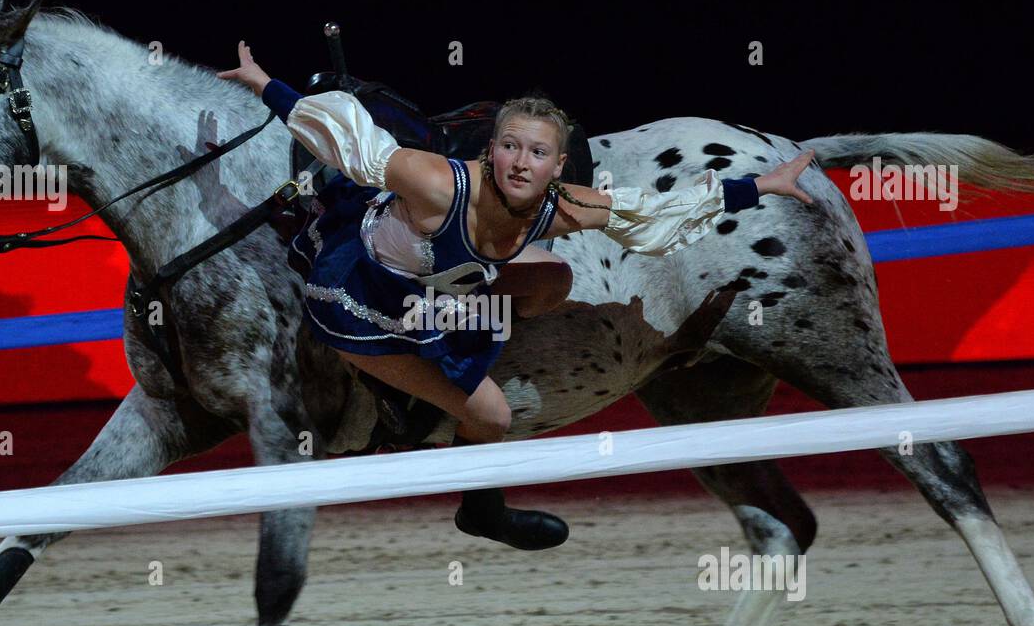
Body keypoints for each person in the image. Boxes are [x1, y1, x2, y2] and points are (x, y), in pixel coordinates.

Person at [218, 41, 815, 550]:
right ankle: (480, 506)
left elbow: (655, 213)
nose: (519, 163)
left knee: (555, 280)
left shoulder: (565, 209)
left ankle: (458, 353)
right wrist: (267, 84)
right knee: (492, 415)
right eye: (509, 146)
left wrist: (761, 184)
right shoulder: (436, 186)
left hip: (439, 286)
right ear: (490, 149)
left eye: (536, 152)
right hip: (362, 299)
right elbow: (349, 142)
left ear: (560, 167)